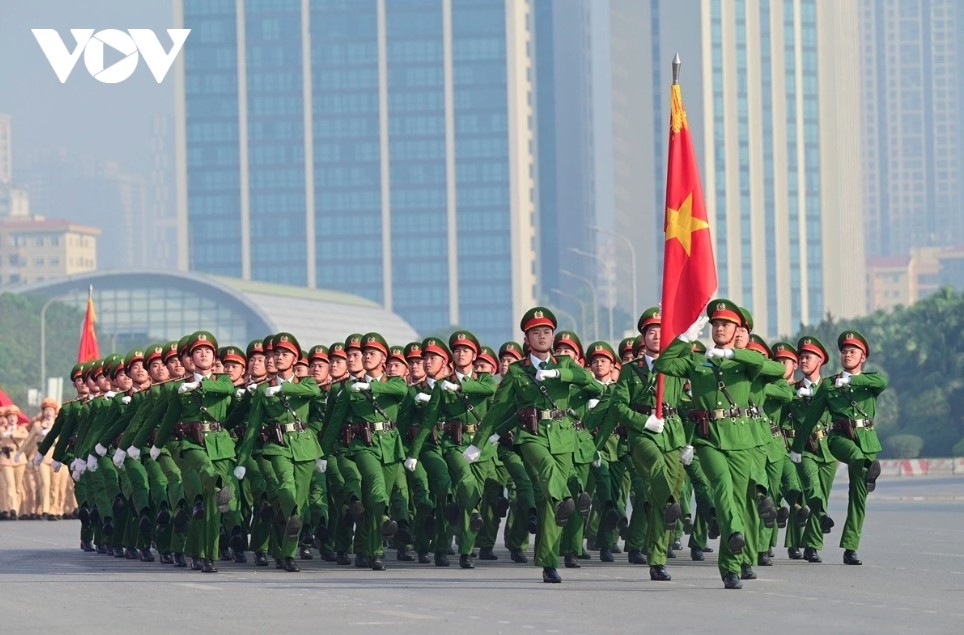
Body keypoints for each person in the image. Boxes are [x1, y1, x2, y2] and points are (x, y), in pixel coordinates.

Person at [653, 299, 785, 589]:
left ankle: (730, 567)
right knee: (722, 486)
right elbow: (662, 364)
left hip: (740, 439)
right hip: (708, 438)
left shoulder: (746, 363)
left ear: (738, 330)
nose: (720, 327)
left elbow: (775, 370)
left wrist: (734, 353)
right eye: (716, 324)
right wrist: (684, 339)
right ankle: (735, 532)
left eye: (726, 324)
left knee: (739, 499)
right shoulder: (698, 360)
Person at [465, 307, 598, 584]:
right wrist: (478, 443)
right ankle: (566, 497)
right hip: (531, 436)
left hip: (562, 436)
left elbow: (591, 383)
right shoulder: (516, 372)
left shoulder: (565, 364)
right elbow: (498, 410)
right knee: (548, 472)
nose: (542, 336)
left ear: (552, 337)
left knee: (550, 505)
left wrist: (560, 375)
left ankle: (549, 563)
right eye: (536, 332)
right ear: (527, 338)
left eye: (546, 332)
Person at [793, 330, 884, 566]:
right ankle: (868, 469)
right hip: (838, 439)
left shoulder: (869, 382)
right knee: (854, 457)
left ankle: (850, 548)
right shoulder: (829, 385)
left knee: (858, 497)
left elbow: (882, 381)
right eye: (843, 351)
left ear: (862, 357)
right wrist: (796, 446)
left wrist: (852, 380)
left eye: (852, 352)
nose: (846, 355)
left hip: (866, 440)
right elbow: (812, 417)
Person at [152, 331, 240, 573]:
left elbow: (228, 391)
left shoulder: (223, 381)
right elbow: (169, 419)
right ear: (190, 357)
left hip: (220, 445)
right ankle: (219, 483)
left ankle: (205, 555)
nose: (203, 354)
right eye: (198, 351)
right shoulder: (179, 389)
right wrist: (157, 445)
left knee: (209, 509)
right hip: (192, 445)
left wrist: (199, 384)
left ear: (214, 358)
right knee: (205, 473)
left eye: (208, 351)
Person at [611, 307, 687, 581]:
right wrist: (642, 422)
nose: (656, 336)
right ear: (643, 337)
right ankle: (669, 502)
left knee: (662, 503)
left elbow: (691, 403)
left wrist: (689, 442)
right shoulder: (632, 370)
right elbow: (618, 405)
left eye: (661, 331)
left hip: (672, 435)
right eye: (651, 331)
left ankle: (657, 560)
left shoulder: (677, 366)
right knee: (656, 469)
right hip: (643, 434)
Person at [323, 332, 409, 571]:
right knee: (375, 486)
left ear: (383, 358)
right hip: (364, 447)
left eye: (372, 353)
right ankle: (374, 541)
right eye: (365, 353)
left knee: (375, 502)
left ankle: (372, 552)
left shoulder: (394, 383)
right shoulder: (350, 390)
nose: (366, 356)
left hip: (390, 447)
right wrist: (323, 453)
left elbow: (401, 392)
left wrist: (370, 385)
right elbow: (335, 421)